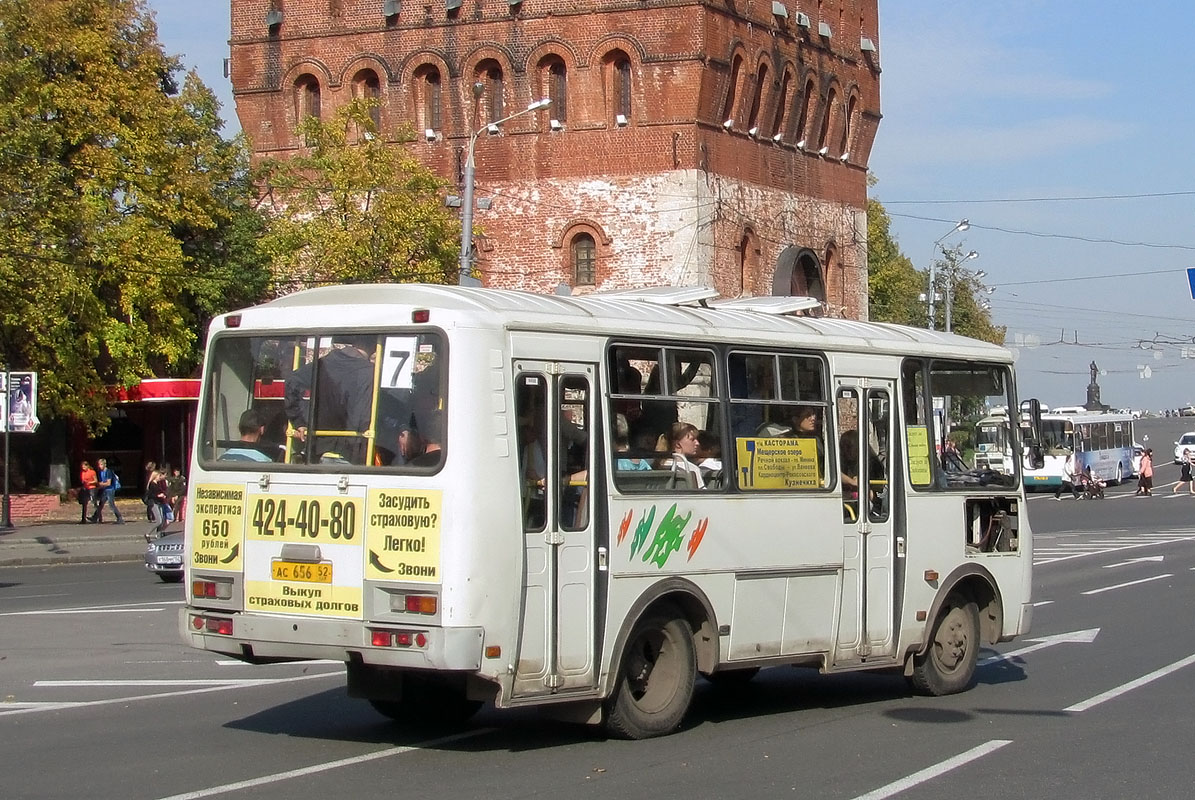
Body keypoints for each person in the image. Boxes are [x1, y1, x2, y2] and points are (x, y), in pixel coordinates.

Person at [284, 334, 377, 464]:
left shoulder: (325, 363)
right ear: (375, 346)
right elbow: (363, 416)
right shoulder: (371, 372)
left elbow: (292, 382)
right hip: (350, 451)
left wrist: (299, 422)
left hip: (317, 448)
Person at [658, 421, 705, 489]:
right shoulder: (692, 469)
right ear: (678, 444)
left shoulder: (658, 465)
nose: (697, 443)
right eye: (692, 439)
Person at [89, 458, 125, 524]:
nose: (99, 466)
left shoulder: (108, 472)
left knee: (111, 504)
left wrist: (99, 484)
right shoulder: (101, 472)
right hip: (105, 489)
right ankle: (95, 517)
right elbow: (103, 482)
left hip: (110, 489)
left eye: (101, 464)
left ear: (105, 465)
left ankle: (120, 518)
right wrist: (99, 487)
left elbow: (108, 483)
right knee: (101, 504)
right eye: (99, 464)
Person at [145, 468, 171, 539]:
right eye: (159, 475)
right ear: (156, 476)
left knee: (162, 520)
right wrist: (158, 495)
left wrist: (163, 494)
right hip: (154, 503)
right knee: (159, 520)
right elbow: (151, 495)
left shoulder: (157, 484)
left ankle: (158, 535)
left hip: (159, 502)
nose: (160, 477)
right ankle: (147, 533)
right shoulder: (152, 484)